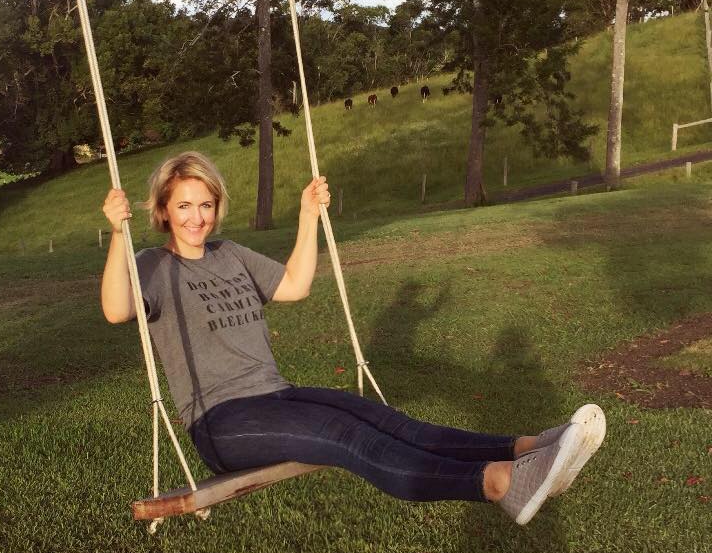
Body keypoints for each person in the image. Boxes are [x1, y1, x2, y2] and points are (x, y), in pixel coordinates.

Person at [101, 151, 605, 526]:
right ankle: (499, 483)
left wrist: (306, 216)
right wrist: (117, 237)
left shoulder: (230, 253)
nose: (196, 217)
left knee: (384, 418)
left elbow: (294, 286)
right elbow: (116, 309)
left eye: (205, 204)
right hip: (223, 421)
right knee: (348, 438)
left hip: (276, 396)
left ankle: (527, 448)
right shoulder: (151, 265)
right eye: (184, 205)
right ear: (163, 210)